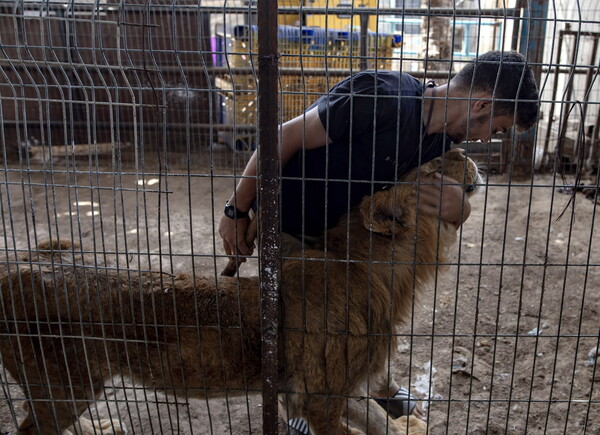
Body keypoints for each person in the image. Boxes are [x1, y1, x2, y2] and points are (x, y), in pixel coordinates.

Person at [219, 50, 539, 424]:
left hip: (346, 236)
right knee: (306, 331)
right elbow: (283, 137)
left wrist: (462, 209)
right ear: (482, 104)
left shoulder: (439, 142)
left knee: (367, 311)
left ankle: (376, 384)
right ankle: (302, 415)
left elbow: (438, 198)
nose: (487, 140)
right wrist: (236, 210)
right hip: (295, 225)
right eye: (496, 129)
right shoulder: (383, 97)